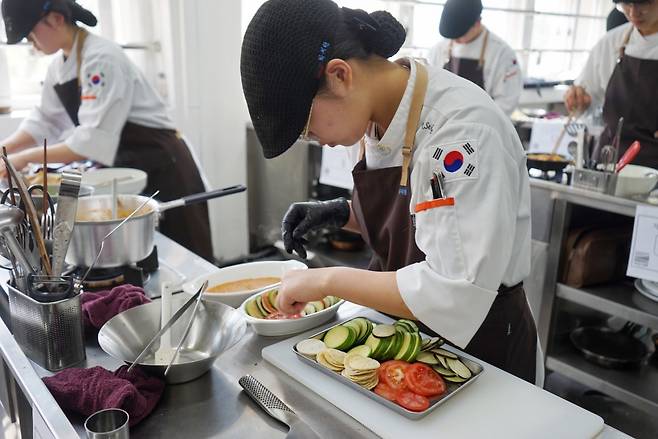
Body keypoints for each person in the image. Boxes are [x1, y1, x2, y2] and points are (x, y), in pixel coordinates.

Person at [241, 0, 542, 385]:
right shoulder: (371, 119)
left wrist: (326, 280)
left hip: (481, 348)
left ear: (339, 75)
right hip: (409, 338)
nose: (315, 141)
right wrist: (340, 213)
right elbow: (413, 220)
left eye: (307, 129)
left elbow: (451, 289)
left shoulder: (462, 133)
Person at [0, 0, 213, 260]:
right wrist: (3, 152)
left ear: (55, 19)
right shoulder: (60, 67)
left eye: (31, 33)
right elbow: (44, 121)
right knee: (142, 255)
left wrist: (21, 159)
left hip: (163, 167)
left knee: (184, 255)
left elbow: (90, 143)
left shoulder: (102, 58)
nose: (32, 43)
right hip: (128, 169)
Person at [565, 0, 658, 167]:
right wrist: (579, 102)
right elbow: (587, 100)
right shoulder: (610, 43)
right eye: (626, 4)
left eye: (643, 4)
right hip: (608, 160)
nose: (633, 13)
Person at [427, 0, 522, 116]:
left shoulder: (501, 54)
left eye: (460, 36)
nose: (455, 41)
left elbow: (506, 102)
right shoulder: (439, 49)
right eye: (452, 37)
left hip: (482, 124)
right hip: (443, 121)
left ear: (477, 23)